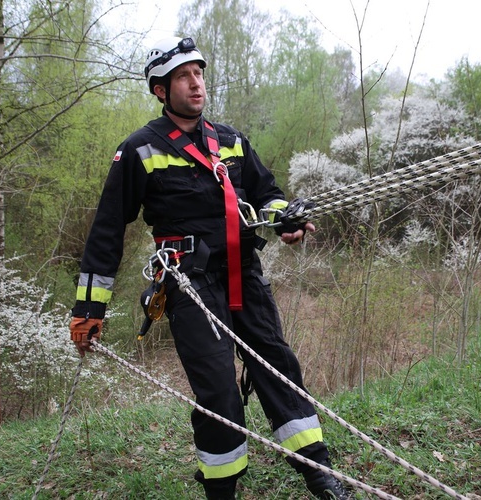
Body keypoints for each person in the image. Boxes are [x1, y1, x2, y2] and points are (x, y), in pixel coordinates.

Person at [69, 36, 350, 500]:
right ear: (160, 89)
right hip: (189, 285)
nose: (196, 83)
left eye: (198, 72)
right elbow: (105, 232)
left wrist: (286, 220)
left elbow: (266, 193)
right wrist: (89, 308)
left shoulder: (232, 140)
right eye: (183, 76)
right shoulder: (139, 149)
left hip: (246, 274)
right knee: (219, 391)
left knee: (279, 367)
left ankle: (317, 469)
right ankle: (221, 491)